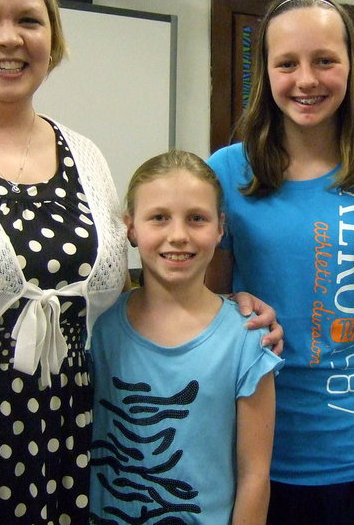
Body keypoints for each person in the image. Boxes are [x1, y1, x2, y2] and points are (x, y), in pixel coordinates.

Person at [0, 0, 280, 525]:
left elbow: (132, 297)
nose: (9, 38)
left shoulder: (83, 156)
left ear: (53, 38)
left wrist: (228, 307)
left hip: (60, 460)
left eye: (29, 21)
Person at [207, 0, 354, 525]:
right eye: (287, 63)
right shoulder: (226, 172)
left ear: (351, 67)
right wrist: (233, 303)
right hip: (251, 444)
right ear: (266, 73)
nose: (307, 79)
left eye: (325, 60)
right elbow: (202, 310)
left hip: (350, 449)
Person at [88, 150, 283, 524]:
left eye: (196, 219)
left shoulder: (247, 340)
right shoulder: (98, 329)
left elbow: (255, 477)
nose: (178, 236)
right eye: (159, 218)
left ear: (220, 227)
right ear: (130, 227)